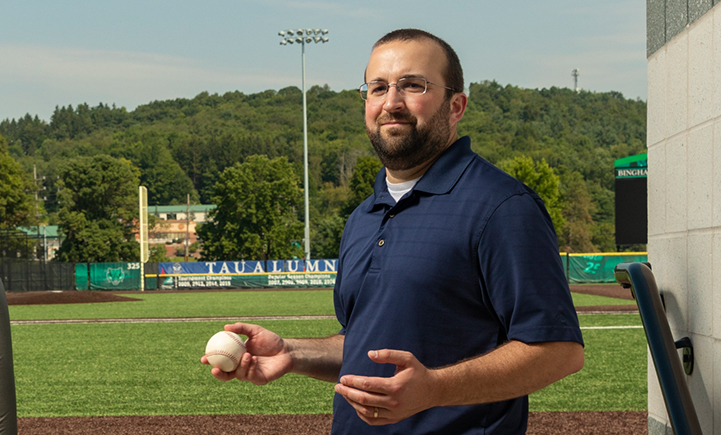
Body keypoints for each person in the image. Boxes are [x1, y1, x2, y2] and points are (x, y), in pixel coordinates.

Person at [202, 28, 584, 434]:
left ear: (456, 106)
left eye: (413, 85)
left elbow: (558, 351)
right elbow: (365, 343)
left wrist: (435, 388)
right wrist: (292, 353)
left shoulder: (502, 206)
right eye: (378, 87)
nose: (391, 102)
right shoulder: (364, 217)